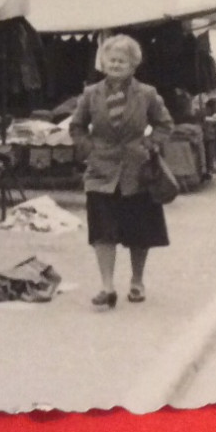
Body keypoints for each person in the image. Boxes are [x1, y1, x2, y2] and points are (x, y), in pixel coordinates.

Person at [68, 34, 174, 309]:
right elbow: (77, 126)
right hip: (100, 170)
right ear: (103, 62)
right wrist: (88, 148)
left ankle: (137, 282)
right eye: (111, 59)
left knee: (139, 231)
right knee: (102, 230)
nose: (115, 64)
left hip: (137, 171)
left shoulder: (147, 94)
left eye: (122, 60)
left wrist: (150, 144)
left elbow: (165, 124)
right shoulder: (91, 94)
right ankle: (106, 287)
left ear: (133, 65)